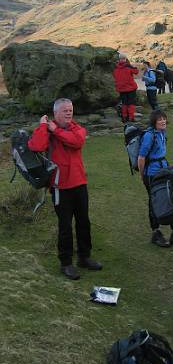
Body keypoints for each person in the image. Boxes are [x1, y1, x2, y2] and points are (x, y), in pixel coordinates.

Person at [28, 98, 102, 280]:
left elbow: (76, 142)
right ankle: (66, 263)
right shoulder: (47, 131)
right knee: (65, 226)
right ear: (55, 113)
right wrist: (43, 126)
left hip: (79, 183)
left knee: (84, 222)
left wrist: (55, 130)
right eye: (65, 111)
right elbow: (36, 146)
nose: (69, 113)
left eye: (70, 110)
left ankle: (84, 257)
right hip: (60, 186)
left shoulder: (77, 128)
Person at [138, 109, 170, 247]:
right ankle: (155, 233)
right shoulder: (149, 136)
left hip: (163, 170)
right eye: (160, 119)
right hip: (151, 173)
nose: (163, 121)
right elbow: (141, 157)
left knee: (168, 197)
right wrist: (143, 175)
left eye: (164, 118)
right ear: (154, 122)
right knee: (154, 201)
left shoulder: (162, 133)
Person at [113, 53, 138, 122]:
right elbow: (136, 72)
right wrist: (133, 66)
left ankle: (124, 117)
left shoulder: (115, 68)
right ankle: (131, 117)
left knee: (124, 103)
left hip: (121, 89)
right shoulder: (128, 66)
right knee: (131, 103)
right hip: (131, 88)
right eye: (124, 58)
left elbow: (115, 77)